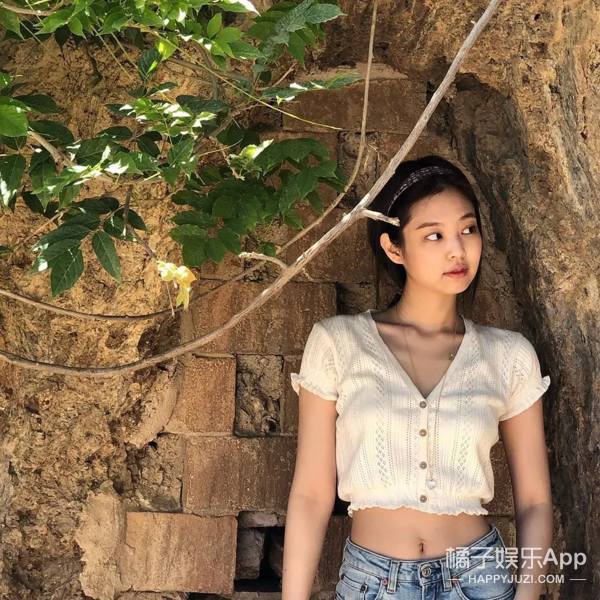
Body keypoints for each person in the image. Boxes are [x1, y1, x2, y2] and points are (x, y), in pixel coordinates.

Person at [282, 155, 553, 600]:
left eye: (468, 229)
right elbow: (311, 493)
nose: (457, 249)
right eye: (434, 235)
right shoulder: (338, 343)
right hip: (373, 583)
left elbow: (535, 502)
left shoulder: (508, 356)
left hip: (478, 578)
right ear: (394, 248)